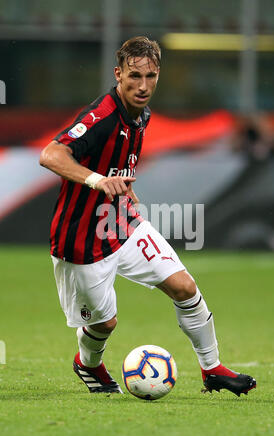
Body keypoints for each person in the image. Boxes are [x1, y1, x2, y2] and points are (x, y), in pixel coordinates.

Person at [40, 36, 256, 397]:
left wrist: (122, 183)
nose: (143, 86)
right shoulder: (101, 117)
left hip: (118, 220)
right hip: (80, 239)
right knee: (105, 323)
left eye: (151, 76)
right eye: (134, 77)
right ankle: (88, 364)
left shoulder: (142, 113)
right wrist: (98, 180)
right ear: (118, 73)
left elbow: (118, 157)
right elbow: (51, 154)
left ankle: (212, 368)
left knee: (184, 286)